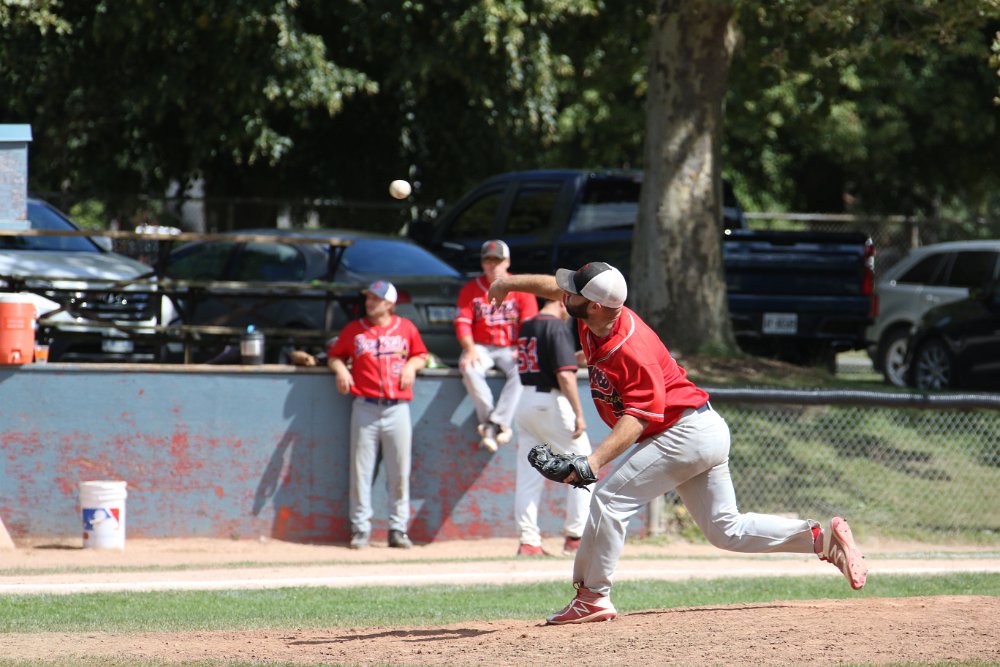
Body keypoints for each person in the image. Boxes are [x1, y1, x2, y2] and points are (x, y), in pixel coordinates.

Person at [487, 261, 868, 625]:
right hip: (700, 427)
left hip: (683, 433)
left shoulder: (632, 349)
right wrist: (507, 283)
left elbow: (638, 418)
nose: (564, 295)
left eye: (574, 293)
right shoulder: (597, 315)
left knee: (610, 499)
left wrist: (592, 462)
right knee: (726, 530)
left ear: (596, 306)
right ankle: (822, 541)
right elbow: (555, 288)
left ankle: (593, 596)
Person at [327, 280, 428, 550]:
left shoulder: (405, 328)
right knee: (361, 471)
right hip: (365, 406)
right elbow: (335, 355)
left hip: (397, 407)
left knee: (400, 471)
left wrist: (412, 366)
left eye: (376, 298)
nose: (370, 302)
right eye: (369, 298)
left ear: (389, 304)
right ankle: (360, 528)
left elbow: (421, 354)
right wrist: (341, 369)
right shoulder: (355, 330)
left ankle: (398, 529)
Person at [513, 298, 592, 557]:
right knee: (585, 465)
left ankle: (529, 542)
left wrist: (573, 358)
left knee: (529, 474)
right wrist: (579, 413)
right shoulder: (556, 326)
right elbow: (564, 375)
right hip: (551, 403)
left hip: (525, 400)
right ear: (560, 301)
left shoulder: (527, 325)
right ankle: (576, 537)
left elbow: (547, 361)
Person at [455, 239, 538, 452]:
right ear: (482, 263)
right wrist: (469, 349)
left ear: (507, 261)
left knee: (523, 369)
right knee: (469, 368)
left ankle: (494, 424)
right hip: (481, 346)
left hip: (511, 346)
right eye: (488, 260)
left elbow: (529, 324)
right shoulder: (471, 289)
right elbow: (462, 322)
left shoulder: (520, 287)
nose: (493, 265)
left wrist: (522, 348)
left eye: (497, 260)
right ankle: (494, 422)